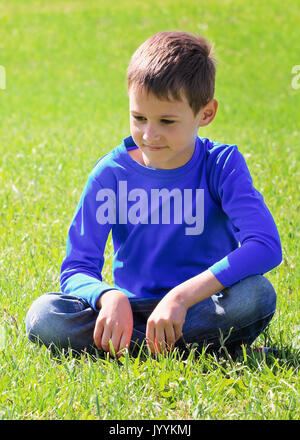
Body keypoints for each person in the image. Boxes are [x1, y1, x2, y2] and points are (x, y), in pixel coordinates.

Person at [25, 31, 282, 358]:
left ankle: (137, 347)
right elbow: (77, 268)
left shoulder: (221, 165)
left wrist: (181, 298)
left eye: (167, 121)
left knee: (257, 294)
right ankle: (191, 347)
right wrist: (108, 297)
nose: (149, 134)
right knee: (44, 316)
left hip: (200, 307)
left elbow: (266, 246)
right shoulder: (110, 176)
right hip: (130, 312)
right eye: (139, 118)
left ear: (206, 113)